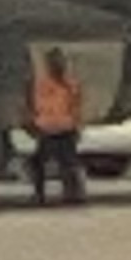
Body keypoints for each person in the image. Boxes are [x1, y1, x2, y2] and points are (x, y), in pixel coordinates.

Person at [26, 48, 87, 206]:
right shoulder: (43, 84)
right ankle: (42, 193)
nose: (57, 65)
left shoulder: (69, 85)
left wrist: (77, 125)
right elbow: (35, 105)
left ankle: (73, 192)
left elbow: (75, 107)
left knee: (69, 164)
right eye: (54, 62)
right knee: (42, 163)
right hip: (50, 129)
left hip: (61, 128)